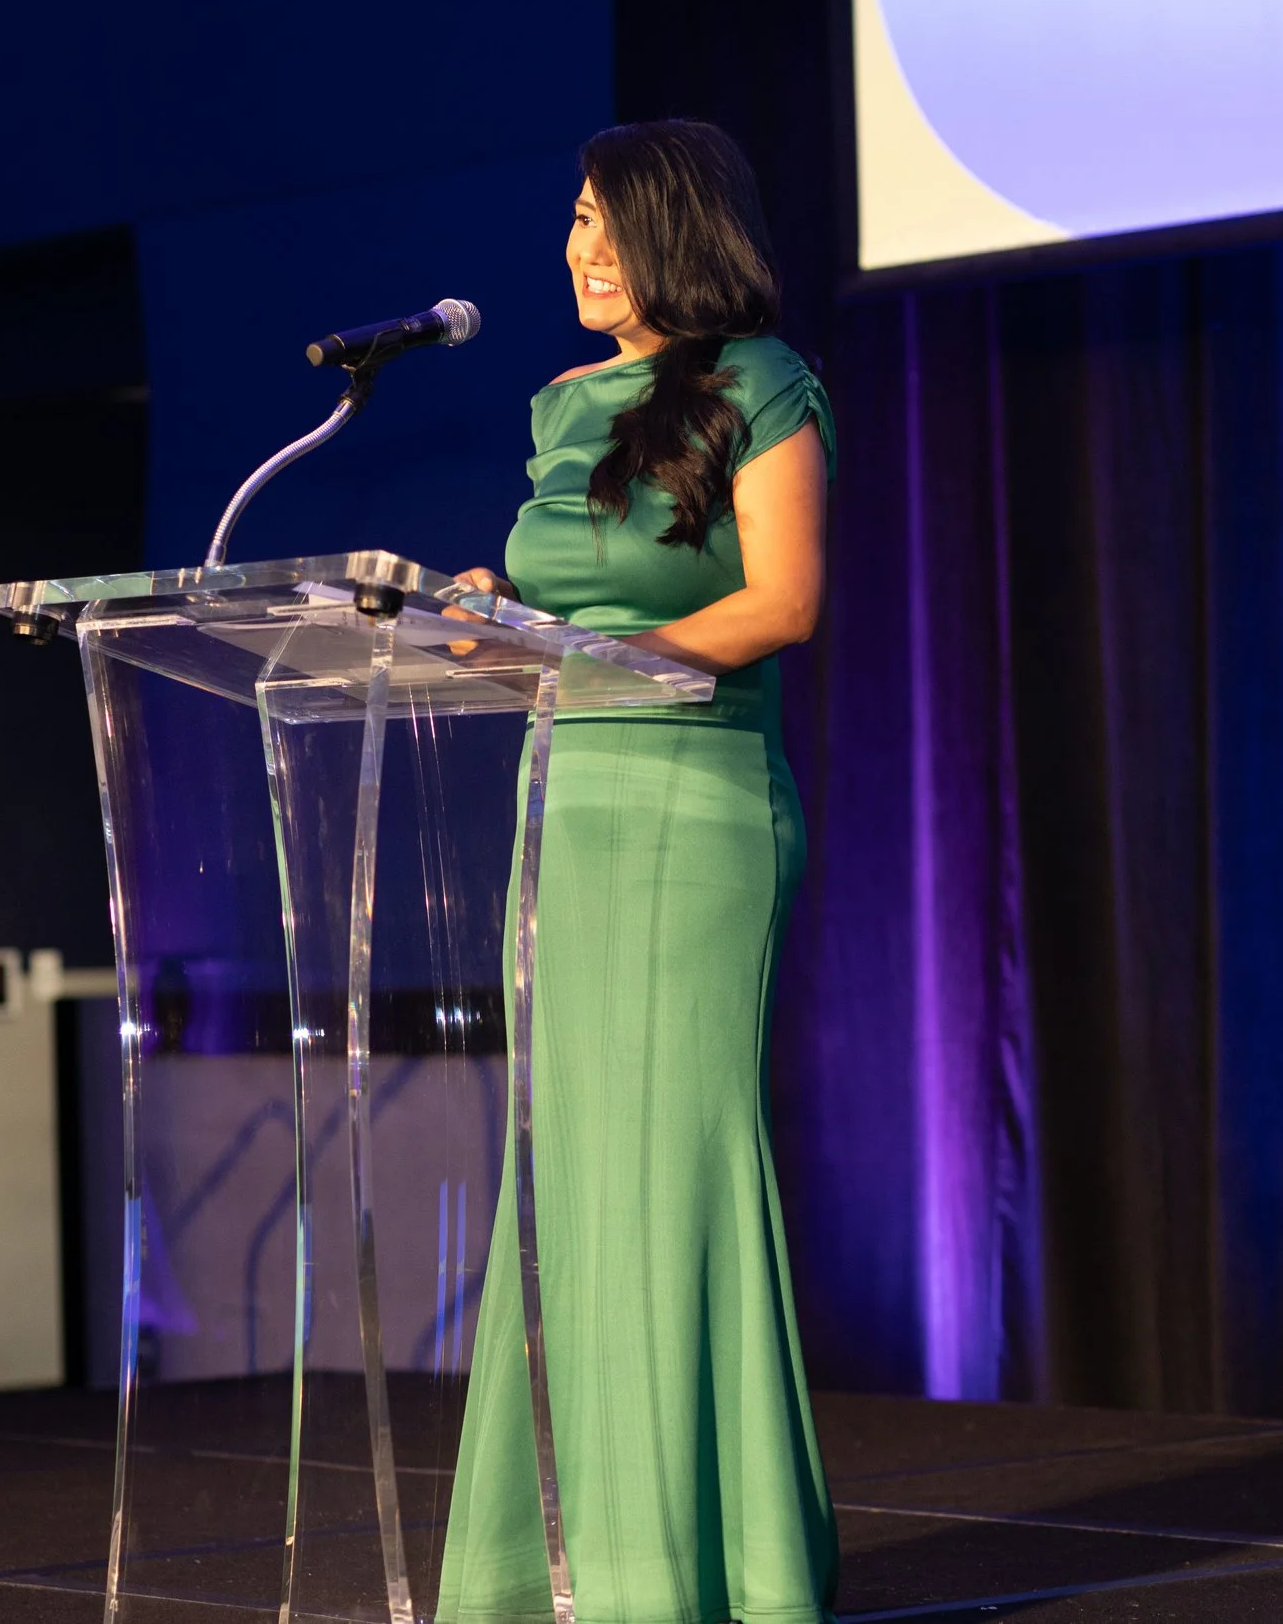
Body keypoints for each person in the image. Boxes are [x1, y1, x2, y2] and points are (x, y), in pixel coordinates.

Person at [439, 119, 838, 1624]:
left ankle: (709, 1568)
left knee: (675, 1174)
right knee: (567, 1184)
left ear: (673, 226)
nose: (575, 250)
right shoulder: (559, 409)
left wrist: (589, 653)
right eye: (572, 223)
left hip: (698, 810)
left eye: (601, 223)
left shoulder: (764, 385)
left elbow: (782, 601)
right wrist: (486, 615)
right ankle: (556, 1567)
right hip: (573, 812)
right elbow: (550, 606)